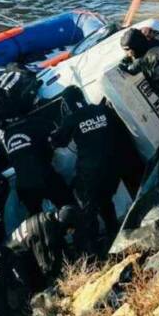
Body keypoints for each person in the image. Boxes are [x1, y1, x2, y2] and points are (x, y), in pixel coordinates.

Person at [50, 86, 122, 250]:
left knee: (88, 210)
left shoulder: (72, 119)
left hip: (90, 171)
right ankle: (115, 234)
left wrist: (53, 135)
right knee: (105, 200)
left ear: (67, 104)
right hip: (114, 167)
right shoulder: (102, 110)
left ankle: (93, 250)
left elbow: (59, 141)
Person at [0, 110, 74, 215]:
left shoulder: (5, 136)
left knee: (36, 219)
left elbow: (5, 160)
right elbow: (56, 142)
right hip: (45, 177)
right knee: (70, 207)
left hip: (24, 186)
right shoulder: (38, 124)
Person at [8, 204, 78, 291]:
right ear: (65, 225)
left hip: (20, 253)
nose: (70, 233)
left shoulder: (48, 219)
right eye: (70, 230)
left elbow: (61, 244)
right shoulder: (45, 232)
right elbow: (46, 266)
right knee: (41, 287)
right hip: (13, 260)